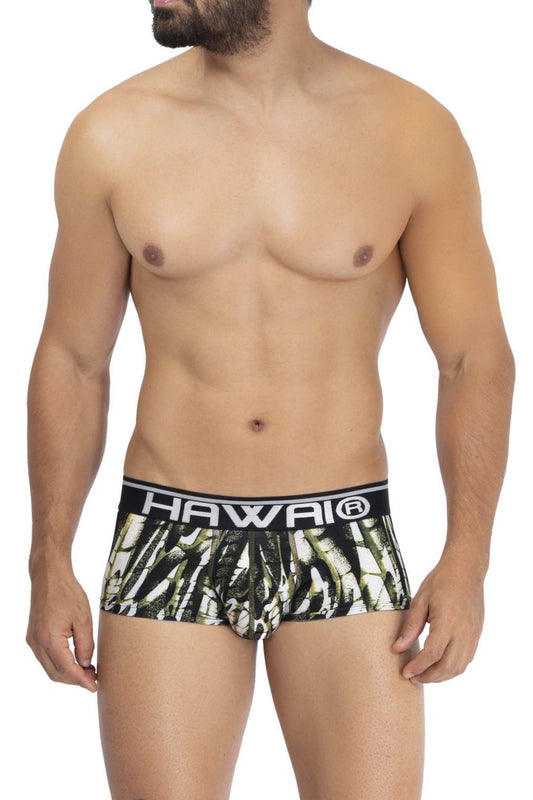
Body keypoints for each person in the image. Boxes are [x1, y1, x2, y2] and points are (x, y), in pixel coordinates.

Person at [25, 1, 515, 798]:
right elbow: (73, 361)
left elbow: (471, 358)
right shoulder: (111, 132)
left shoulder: (408, 131)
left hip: (343, 536)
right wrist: (49, 559)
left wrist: (468, 559)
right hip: (169, 534)